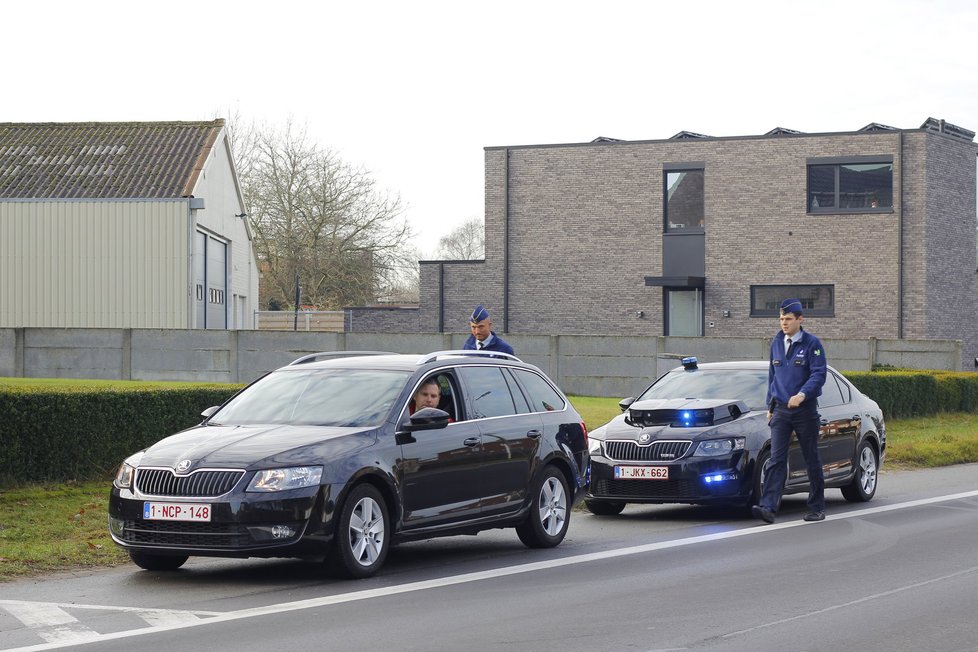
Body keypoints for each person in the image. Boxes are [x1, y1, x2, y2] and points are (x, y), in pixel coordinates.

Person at [752, 298, 828, 524]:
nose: (783, 323)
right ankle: (768, 507)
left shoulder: (812, 344)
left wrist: (802, 394)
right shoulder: (776, 342)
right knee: (776, 459)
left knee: (811, 457)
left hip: (804, 410)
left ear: (800, 319)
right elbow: (772, 377)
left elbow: (818, 375)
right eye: (781, 319)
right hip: (781, 412)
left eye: (788, 319)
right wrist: (770, 405)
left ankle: (816, 507)